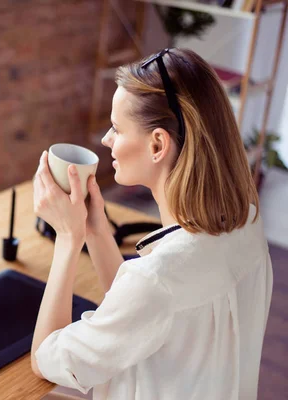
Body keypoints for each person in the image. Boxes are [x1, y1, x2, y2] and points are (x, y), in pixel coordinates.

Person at [30, 48, 273, 399]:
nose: (106, 140)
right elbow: (147, 312)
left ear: (158, 143)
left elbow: (46, 360)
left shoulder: (156, 282)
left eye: (116, 128)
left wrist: (69, 238)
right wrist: (96, 230)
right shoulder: (248, 224)